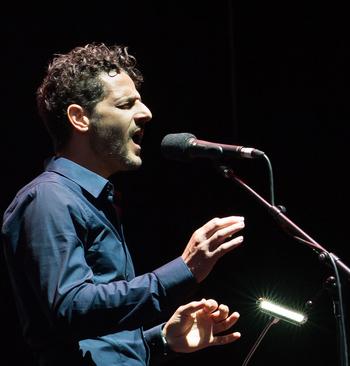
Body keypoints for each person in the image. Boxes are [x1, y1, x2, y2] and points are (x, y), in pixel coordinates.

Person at [2, 43, 246, 365]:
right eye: (126, 104)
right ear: (79, 118)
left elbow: (96, 340)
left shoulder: (95, 201)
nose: (146, 113)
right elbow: (69, 308)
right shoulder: (48, 199)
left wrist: (159, 339)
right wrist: (182, 270)